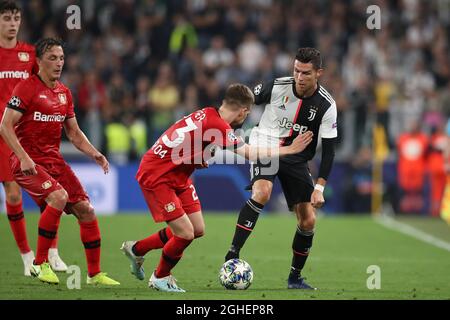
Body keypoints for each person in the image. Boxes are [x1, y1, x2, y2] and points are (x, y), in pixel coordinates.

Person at [120, 83, 313, 292]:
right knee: (185, 233)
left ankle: (137, 249)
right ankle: (160, 277)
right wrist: (289, 149)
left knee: (197, 229)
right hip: (158, 175)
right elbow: (250, 154)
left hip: (177, 176)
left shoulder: (208, 114)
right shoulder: (219, 126)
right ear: (243, 111)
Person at [0, 38, 119, 285]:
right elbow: (5, 126)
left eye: (62, 58)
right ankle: (39, 263)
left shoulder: (64, 94)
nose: (59, 63)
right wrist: (23, 157)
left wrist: (94, 153)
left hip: (54, 161)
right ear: (39, 61)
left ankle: (95, 274)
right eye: (52, 58)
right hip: (26, 161)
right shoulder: (26, 88)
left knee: (86, 210)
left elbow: (74, 133)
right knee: (58, 197)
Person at [224, 48, 338, 290]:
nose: (299, 77)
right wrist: (227, 125)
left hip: (296, 157)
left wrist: (319, 188)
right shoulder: (277, 86)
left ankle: (295, 278)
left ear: (318, 73)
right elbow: (243, 100)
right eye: (296, 70)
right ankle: (232, 254)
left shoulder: (327, 105)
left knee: (308, 220)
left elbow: (329, 151)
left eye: (306, 73)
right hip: (265, 145)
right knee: (262, 192)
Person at [0, 0, 66, 276]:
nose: (12, 23)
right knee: (13, 194)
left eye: (16, 17)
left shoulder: (29, 54)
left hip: (24, 135)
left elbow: (46, 87)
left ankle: (52, 252)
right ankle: (27, 256)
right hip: (3, 133)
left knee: (48, 193)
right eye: (6, 18)